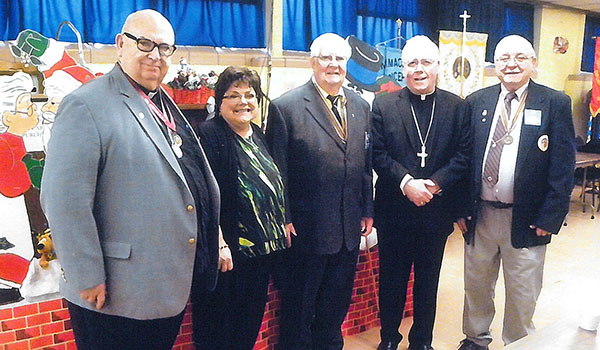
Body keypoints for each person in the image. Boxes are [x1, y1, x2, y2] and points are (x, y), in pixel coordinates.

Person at [40, 9, 220, 350]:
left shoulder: (163, 103)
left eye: (164, 48)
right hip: (113, 292)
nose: (155, 55)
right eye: (144, 43)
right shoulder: (87, 104)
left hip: (162, 286)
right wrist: (86, 275)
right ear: (120, 44)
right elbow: (64, 202)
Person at [456, 35, 575, 350]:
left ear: (533, 63)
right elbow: (464, 159)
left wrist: (550, 216)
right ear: (495, 66)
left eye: (520, 57)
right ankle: (475, 339)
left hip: (526, 218)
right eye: (504, 58)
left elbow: (563, 167)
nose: (511, 63)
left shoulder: (554, 103)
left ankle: (518, 344)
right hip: (480, 214)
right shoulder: (476, 102)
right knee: (477, 284)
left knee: (523, 291)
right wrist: (460, 208)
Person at [265, 33, 374, 350]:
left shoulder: (359, 106)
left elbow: (364, 163)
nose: (333, 64)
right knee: (299, 310)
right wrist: (283, 218)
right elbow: (277, 172)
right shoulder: (286, 108)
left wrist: (367, 208)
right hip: (305, 231)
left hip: (347, 229)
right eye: (326, 58)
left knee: (334, 309)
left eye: (339, 58)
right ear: (312, 62)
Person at [371, 35, 471, 350]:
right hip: (393, 209)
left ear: (438, 65)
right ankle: (389, 338)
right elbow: (377, 152)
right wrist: (406, 183)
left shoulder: (457, 107)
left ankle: (422, 341)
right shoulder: (384, 104)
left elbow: (464, 155)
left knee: (428, 282)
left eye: (426, 62)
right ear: (403, 68)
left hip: (435, 211)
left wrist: (435, 183)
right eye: (412, 63)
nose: (419, 69)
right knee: (392, 280)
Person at [192, 66, 288, 350]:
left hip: (259, 253)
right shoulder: (210, 135)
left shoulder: (257, 134)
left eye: (250, 95)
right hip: (229, 255)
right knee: (221, 330)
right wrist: (220, 243)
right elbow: (205, 196)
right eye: (233, 95)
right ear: (219, 101)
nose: (243, 102)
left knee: (247, 327)